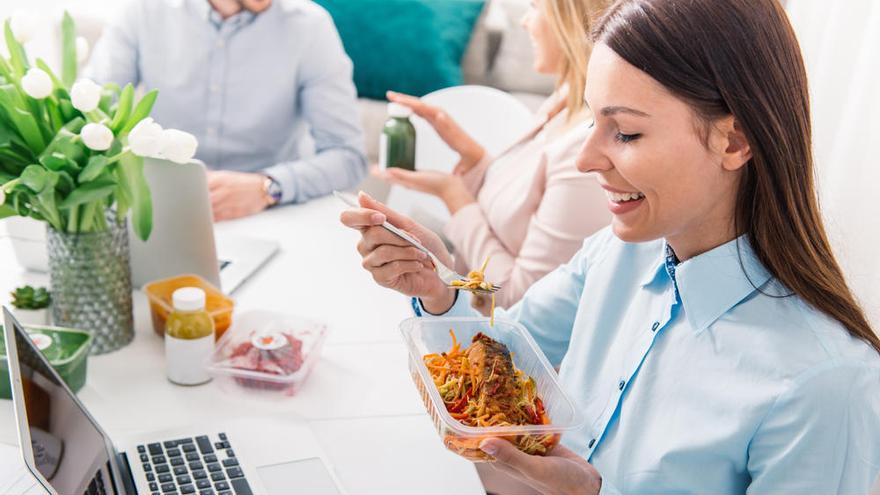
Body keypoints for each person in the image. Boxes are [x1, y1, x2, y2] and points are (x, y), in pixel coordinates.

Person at [340, 0, 880, 493]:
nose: (586, 159)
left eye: (624, 133)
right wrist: (435, 287)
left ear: (733, 141)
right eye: (592, 122)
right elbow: (507, 353)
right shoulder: (618, 254)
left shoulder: (826, 386)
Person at [374, 0, 611, 312]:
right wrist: (476, 163)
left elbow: (519, 300)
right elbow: (521, 208)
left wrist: (454, 196)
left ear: (570, 17)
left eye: (535, 7)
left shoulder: (585, 154)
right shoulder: (563, 103)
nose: (525, 21)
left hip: (509, 347)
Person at [86, 0, 367, 221]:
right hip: (161, 206)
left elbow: (348, 156)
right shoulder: (142, 11)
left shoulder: (310, 27)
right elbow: (90, 118)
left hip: (269, 212)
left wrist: (268, 187)